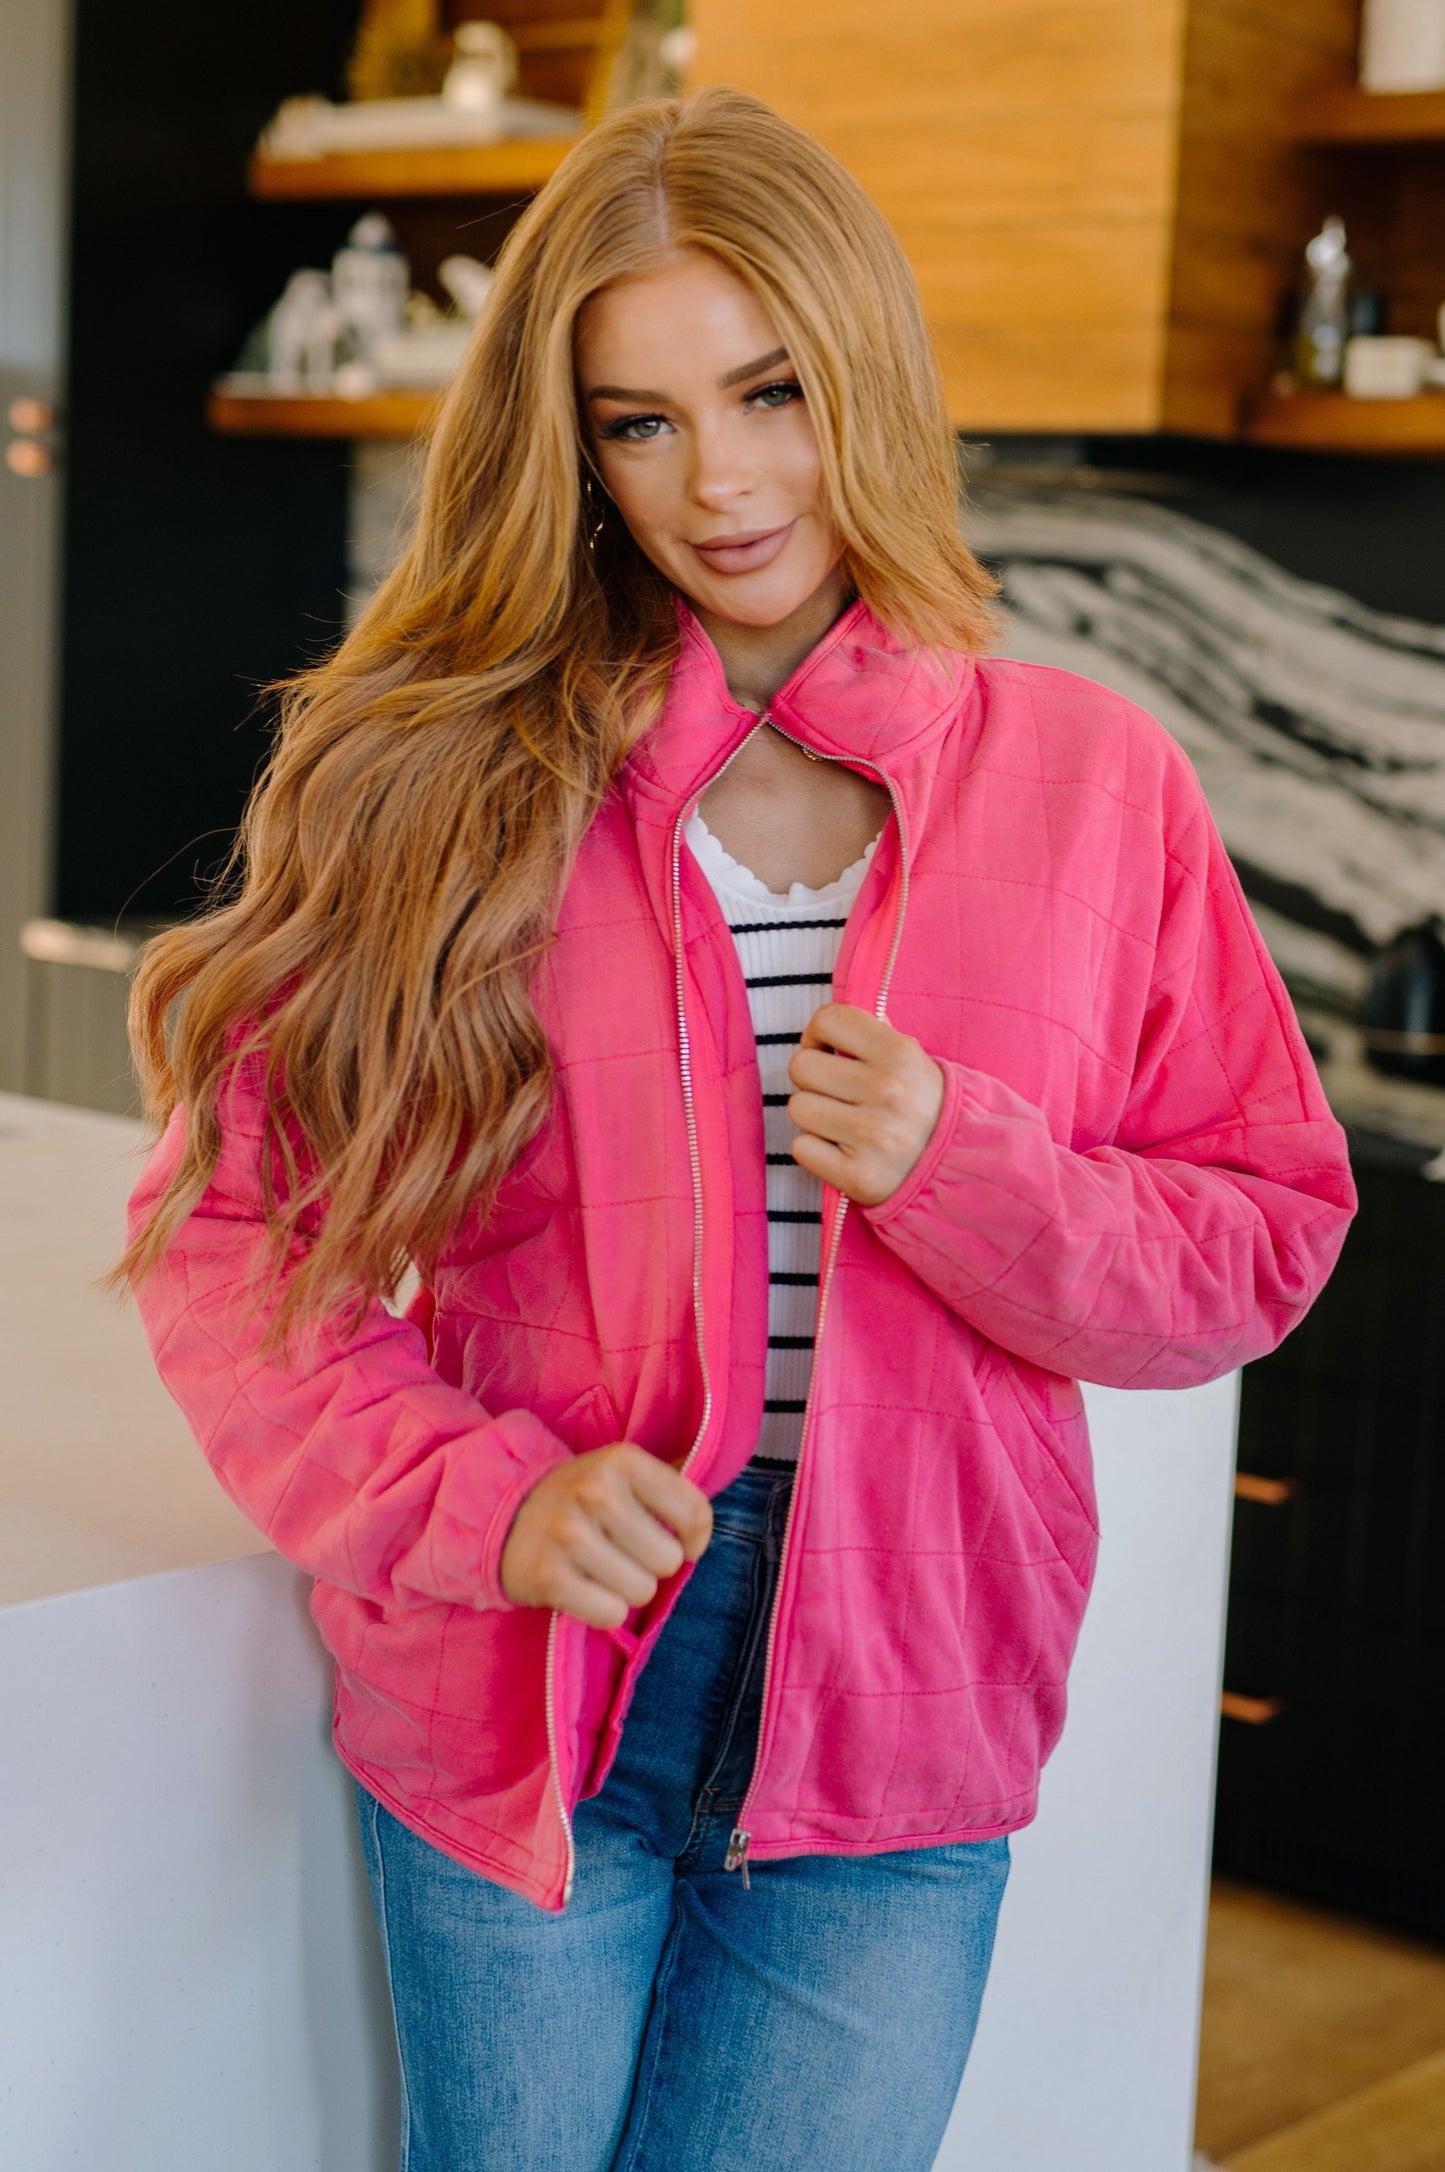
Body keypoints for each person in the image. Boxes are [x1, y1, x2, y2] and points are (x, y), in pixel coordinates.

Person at [119, 87, 1355, 2172]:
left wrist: (971, 1162)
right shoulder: (434, 779)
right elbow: (237, 1247)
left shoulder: (1093, 783)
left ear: (859, 362)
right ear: (570, 444)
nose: (724, 480)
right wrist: (484, 1501)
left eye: (768, 389)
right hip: (535, 1675)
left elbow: (1257, 1239)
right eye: (642, 420)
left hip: (912, 1694)